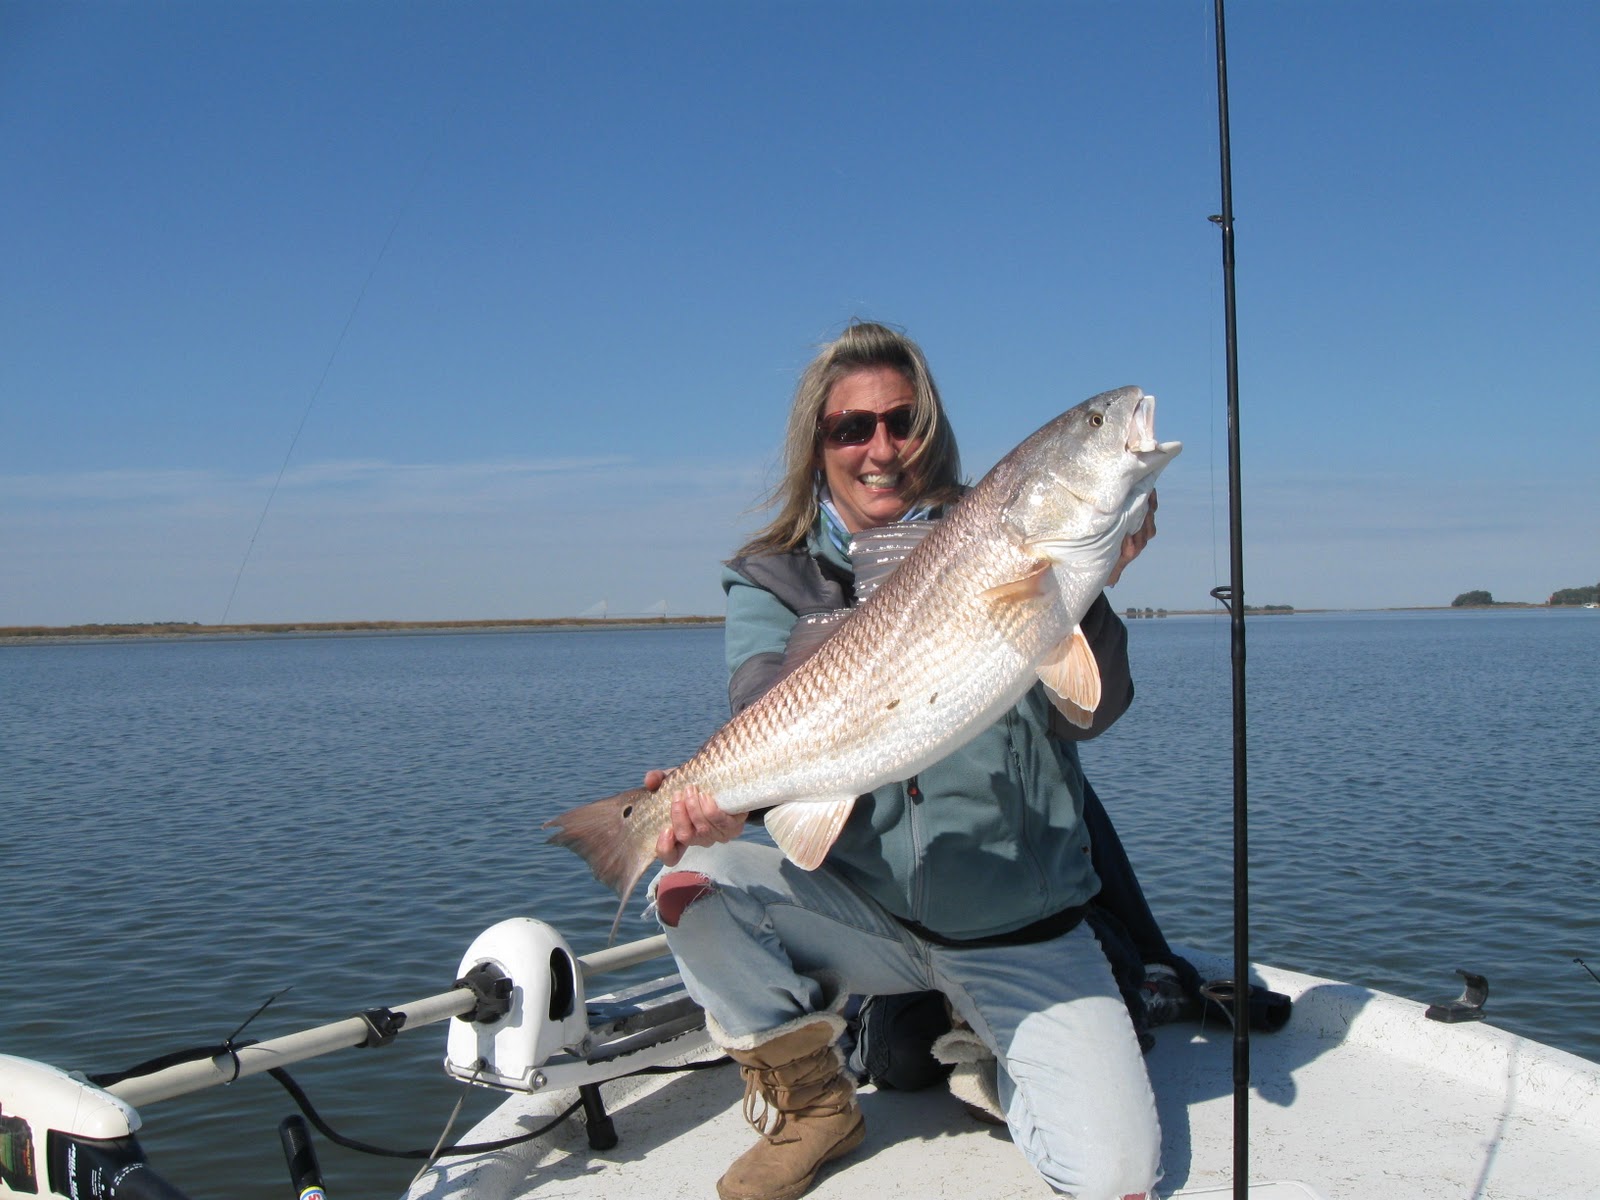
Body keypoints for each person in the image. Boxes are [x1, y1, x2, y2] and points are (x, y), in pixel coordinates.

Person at [644, 321, 1163, 1200]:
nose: (881, 449)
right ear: (817, 445)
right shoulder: (773, 580)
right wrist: (716, 800)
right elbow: (766, 714)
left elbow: (1091, 713)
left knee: (1117, 1181)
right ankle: (816, 1105)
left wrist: (1087, 586)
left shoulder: (997, 536)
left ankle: (987, 1055)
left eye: (903, 421)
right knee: (690, 879)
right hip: (867, 921)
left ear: (932, 429)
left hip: (1023, 929)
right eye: (853, 427)